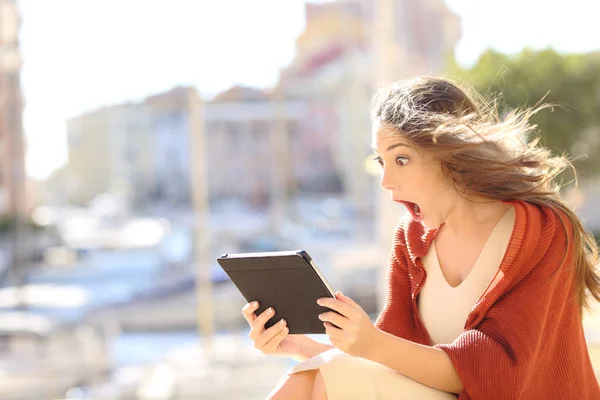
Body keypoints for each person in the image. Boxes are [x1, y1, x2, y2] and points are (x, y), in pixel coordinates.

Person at [241, 76, 600, 399]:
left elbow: (502, 374)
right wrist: (299, 346)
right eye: (380, 162)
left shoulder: (543, 231)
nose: (386, 181)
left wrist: (371, 343)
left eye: (401, 160)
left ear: (452, 155)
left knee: (332, 376)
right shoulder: (412, 237)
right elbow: (393, 362)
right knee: (304, 380)